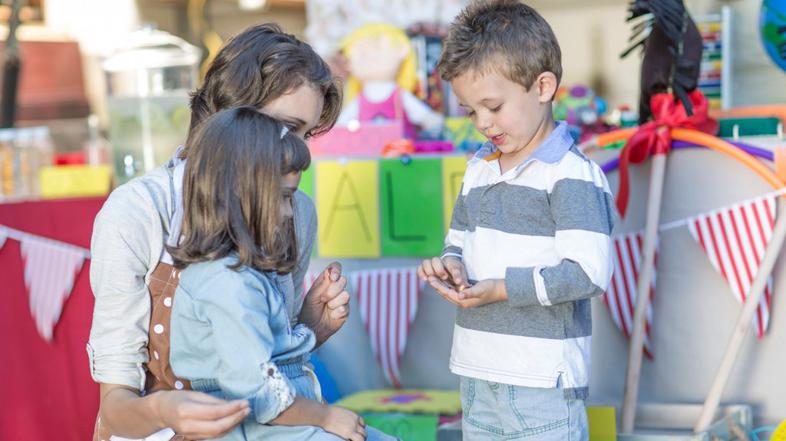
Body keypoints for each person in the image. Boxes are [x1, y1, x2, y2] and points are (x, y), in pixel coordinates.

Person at [88, 23, 348, 440]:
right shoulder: (138, 211)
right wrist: (164, 408)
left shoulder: (297, 211)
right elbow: (116, 409)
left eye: (306, 134)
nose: (299, 150)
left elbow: (257, 370)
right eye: (286, 127)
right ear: (230, 117)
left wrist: (308, 330)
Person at [417, 1, 616, 439]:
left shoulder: (570, 174)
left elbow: (588, 273)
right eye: (471, 111)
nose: (482, 123)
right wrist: (450, 266)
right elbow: (458, 241)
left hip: (542, 381)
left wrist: (503, 289)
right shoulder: (479, 168)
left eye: (493, 106)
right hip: (476, 371)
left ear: (542, 86)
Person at [168, 107, 394, 441]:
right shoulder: (226, 283)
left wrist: (310, 328)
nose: (290, 211)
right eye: (284, 197)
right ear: (241, 194)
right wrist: (326, 415)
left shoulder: (247, 272)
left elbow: (274, 355)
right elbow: (261, 395)